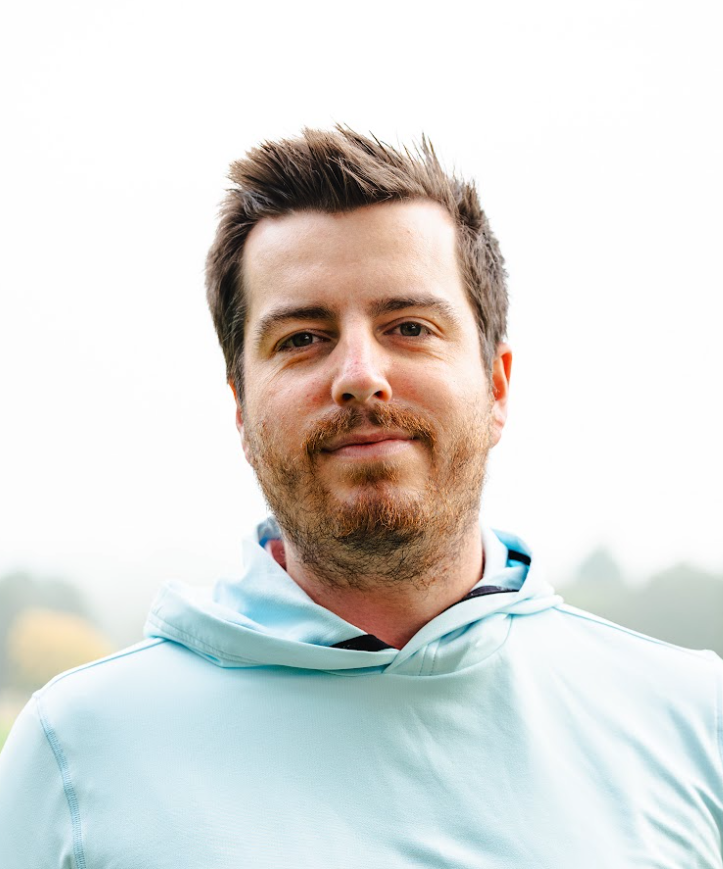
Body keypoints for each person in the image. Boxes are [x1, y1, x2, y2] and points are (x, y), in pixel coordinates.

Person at [0, 126, 721, 868]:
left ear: (496, 386)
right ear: (241, 408)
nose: (358, 374)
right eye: (302, 338)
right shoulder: (75, 751)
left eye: (408, 327)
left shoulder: (694, 723)